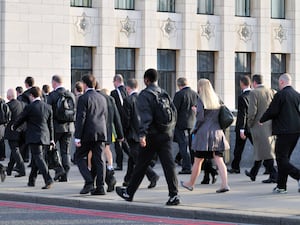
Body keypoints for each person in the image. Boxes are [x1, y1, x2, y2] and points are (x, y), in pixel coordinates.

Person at [116, 68, 180, 205]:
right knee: (169, 166)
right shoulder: (164, 92)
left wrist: (142, 135)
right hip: (166, 134)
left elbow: (145, 117)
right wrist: (169, 129)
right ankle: (174, 195)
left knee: (141, 164)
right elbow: (174, 112)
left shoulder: (145, 95)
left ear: (146, 80)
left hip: (152, 135)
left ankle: (129, 192)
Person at [181, 79, 230, 193]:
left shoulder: (201, 99)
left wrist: (195, 126)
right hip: (217, 132)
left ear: (200, 87)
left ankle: (190, 183)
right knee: (219, 159)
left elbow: (200, 119)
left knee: (198, 160)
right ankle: (225, 184)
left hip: (204, 134)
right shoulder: (217, 98)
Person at [260, 73, 300, 193]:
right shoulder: (297, 95)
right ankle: (281, 186)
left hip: (284, 131)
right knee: (284, 159)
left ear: (282, 82)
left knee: (281, 158)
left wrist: (261, 119)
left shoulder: (280, 95)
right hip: (296, 131)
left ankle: (298, 175)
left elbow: (272, 110)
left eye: (279, 82)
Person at [13, 86, 54, 189]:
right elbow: (51, 125)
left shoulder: (30, 107)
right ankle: (31, 181)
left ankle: (48, 179)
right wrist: (52, 139)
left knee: (38, 158)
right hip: (45, 137)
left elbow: (21, 118)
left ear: (31, 95)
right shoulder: (48, 107)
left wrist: (14, 126)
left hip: (34, 137)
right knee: (36, 158)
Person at [122, 78, 159, 188]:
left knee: (137, 158)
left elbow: (126, 119)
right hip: (144, 132)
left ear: (128, 88)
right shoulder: (143, 98)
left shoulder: (128, 100)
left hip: (133, 134)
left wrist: (123, 133)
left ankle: (152, 175)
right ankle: (128, 179)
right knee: (132, 157)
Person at [74, 74, 108, 195]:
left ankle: (89, 181)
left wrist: (77, 136)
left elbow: (81, 118)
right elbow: (105, 117)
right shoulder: (102, 98)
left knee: (78, 156)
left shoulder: (83, 98)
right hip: (101, 132)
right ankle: (101, 187)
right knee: (99, 160)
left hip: (87, 133)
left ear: (84, 84)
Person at [245, 74, 277, 183]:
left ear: (254, 82)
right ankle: (253, 173)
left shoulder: (254, 93)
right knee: (263, 149)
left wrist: (249, 123)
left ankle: (273, 174)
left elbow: (252, 110)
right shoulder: (271, 91)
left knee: (264, 150)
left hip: (258, 125)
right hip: (270, 125)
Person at [47, 75, 75, 182]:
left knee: (50, 149)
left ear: (54, 83)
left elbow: (48, 112)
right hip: (69, 127)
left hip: (57, 126)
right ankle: (65, 175)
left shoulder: (53, 95)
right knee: (65, 151)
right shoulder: (70, 94)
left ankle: (58, 169)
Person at [97, 86, 124, 193]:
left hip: (97, 131)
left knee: (95, 156)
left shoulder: (98, 98)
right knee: (107, 150)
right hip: (108, 131)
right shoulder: (111, 99)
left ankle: (103, 179)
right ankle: (110, 169)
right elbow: (116, 118)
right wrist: (120, 134)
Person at [173, 77, 198, 175]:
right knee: (191, 145)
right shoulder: (194, 93)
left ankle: (186, 167)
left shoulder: (179, 94)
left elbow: (174, 109)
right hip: (192, 122)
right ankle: (192, 162)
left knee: (182, 144)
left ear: (179, 85)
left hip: (180, 123)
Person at [228, 75, 253, 174]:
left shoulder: (242, 97)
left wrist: (241, 129)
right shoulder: (254, 95)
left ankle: (235, 167)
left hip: (243, 127)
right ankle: (269, 167)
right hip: (252, 126)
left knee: (238, 148)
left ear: (241, 84)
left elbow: (242, 114)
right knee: (258, 147)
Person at [4, 89, 26, 177]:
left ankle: (22, 169)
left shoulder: (7, 105)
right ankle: (9, 169)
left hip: (12, 131)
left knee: (15, 151)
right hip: (22, 131)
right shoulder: (22, 104)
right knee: (15, 151)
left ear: (9, 96)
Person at [110, 74, 129, 170]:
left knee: (119, 143)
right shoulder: (127, 90)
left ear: (116, 81)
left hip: (119, 121)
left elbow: (115, 109)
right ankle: (133, 157)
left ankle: (119, 163)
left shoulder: (114, 93)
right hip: (128, 121)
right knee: (125, 142)